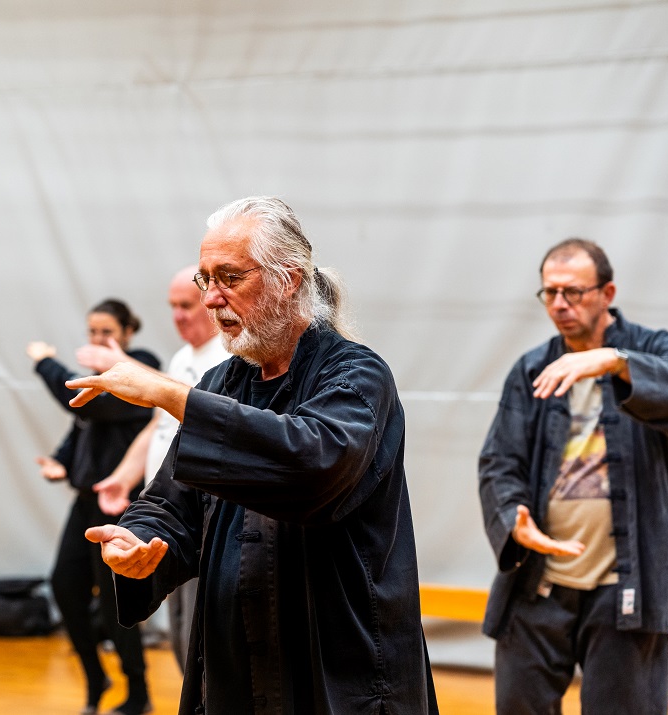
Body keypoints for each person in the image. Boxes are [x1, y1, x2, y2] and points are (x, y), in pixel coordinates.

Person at [73, 197, 438, 714]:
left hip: (339, 666)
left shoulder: (357, 375)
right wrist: (137, 544)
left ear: (288, 279)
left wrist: (170, 395)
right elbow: (174, 504)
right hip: (233, 665)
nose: (211, 299)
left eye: (229, 277)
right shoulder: (222, 382)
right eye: (205, 280)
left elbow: (311, 465)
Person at [478, 238, 668, 714]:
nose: (559, 304)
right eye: (550, 293)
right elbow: (498, 460)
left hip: (625, 588)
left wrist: (617, 361)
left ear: (607, 292)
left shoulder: (650, 348)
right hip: (540, 580)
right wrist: (513, 517)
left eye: (573, 292)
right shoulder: (532, 368)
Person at [76, 265, 229, 671]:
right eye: (172, 306)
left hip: (202, 517)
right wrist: (124, 477)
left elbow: (213, 421)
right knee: (180, 636)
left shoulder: (229, 358)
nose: (179, 315)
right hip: (169, 516)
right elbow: (159, 429)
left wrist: (130, 367)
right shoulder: (182, 358)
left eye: (187, 305)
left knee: (204, 644)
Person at [27, 299, 160, 715]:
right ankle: (94, 676)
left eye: (107, 331)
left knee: (115, 604)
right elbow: (82, 425)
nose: (99, 339)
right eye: (92, 332)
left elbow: (97, 405)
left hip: (119, 508)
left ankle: (137, 693)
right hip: (85, 503)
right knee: (64, 588)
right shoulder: (98, 378)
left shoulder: (140, 367)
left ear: (126, 333)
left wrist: (46, 363)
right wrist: (60, 461)